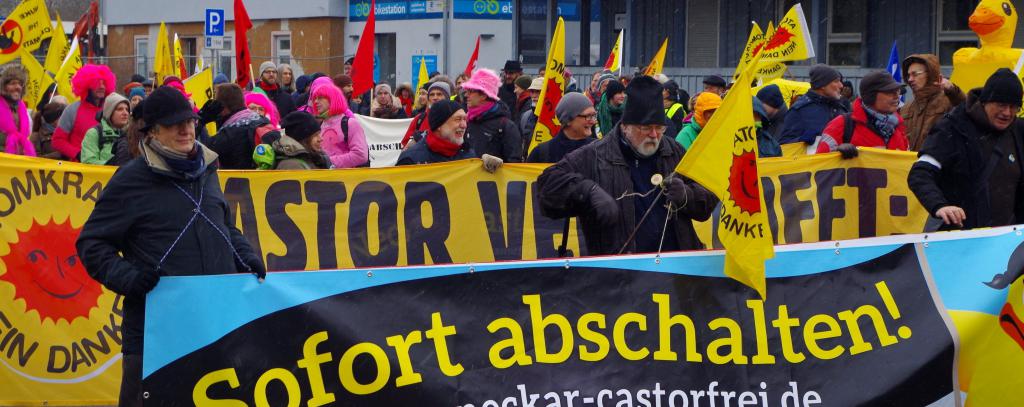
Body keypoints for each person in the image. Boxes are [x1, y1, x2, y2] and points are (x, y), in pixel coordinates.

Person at [77, 87, 265, 406]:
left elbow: (224, 225)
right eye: (174, 124)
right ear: (152, 131)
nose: (186, 129)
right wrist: (128, 278)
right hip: (155, 331)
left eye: (189, 121)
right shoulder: (130, 180)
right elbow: (92, 243)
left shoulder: (208, 170)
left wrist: (245, 256)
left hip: (214, 324)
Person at [537, 76, 717, 255]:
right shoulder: (596, 155)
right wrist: (587, 191)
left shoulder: (674, 151)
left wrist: (687, 195)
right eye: (646, 128)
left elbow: (708, 199)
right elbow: (547, 187)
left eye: (659, 128)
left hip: (674, 265)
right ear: (625, 126)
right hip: (620, 268)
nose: (654, 135)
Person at [909, 68, 1024, 231]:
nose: (1007, 113)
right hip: (961, 237)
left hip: (1009, 240)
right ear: (985, 102)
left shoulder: (1018, 130)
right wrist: (939, 206)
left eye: (1014, 107)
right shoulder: (953, 127)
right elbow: (919, 174)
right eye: (1001, 105)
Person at [816, 71, 908, 157]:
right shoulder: (841, 125)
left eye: (897, 91)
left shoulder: (899, 127)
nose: (897, 96)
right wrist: (836, 154)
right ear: (871, 96)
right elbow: (819, 163)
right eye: (889, 92)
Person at [200, 83, 278, 169]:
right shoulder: (262, 120)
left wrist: (201, 121)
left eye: (215, 101)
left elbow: (205, 153)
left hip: (240, 177)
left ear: (222, 106)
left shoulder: (229, 132)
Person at [902, 54, 966, 151]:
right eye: (908, 75)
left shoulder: (950, 100)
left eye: (915, 74)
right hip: (910, 160)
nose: (910, 79)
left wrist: (953, 90)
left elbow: (968, 110)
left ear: (930, 74)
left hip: (940, 160)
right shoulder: (906, 108)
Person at [53, 64, 115, 161]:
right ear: (86, 86)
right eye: (97, 83)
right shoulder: (72, 109)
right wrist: (78, 154)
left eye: (104, 83)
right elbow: (58, 140)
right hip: (79, 167)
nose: (102, 87)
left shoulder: (110, 109)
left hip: (106, 166)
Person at [777, 64, 849, 146]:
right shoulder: (800, 111)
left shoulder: (841, 109)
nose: (841, 86)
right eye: (836, 81)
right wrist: (800, 140)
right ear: (823, 85)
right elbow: (783, 146)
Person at [462, 68, 523, 162]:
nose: (466, 95)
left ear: (484, 95)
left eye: (471, 91)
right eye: (466, 91)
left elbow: (514, 162)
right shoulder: (466, 121)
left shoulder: (506, 126)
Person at [311, 76, 369, 168]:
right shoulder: (320, 125)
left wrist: (328, 161)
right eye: (315, 98)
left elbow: (361, 155)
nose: (316, 102)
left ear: (333, 99)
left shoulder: (350, 123)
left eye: (320, 98)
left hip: (346, 176)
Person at [397, 100, 477, 165]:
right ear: (439, 125)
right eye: (458, 119)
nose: (464, 125)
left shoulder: (470, 157)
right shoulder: (411, 160)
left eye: (464, 119)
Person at [527, 93, 597, 163]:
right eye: (588, 116)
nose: (593, 121)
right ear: (568, 120)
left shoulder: (599, 149)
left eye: (594, 115)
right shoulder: (541, 153)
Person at [254, 111, 331, 170]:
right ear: (302, 138)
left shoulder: (312, 157)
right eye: (315, 135)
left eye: (319, 134)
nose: (321, 139)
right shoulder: (292, 166)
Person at [80, 93, 130, 165]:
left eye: (127, 109)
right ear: (109, 112)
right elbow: (88, 162)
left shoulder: (130, 134)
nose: (125, 113)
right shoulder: (94, 133)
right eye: (120, 109)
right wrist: (112, 164)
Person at [403, 81, 453, 147]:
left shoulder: (455, 117)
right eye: (432, 95)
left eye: (439, 94)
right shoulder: (419, 119)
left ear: (447, 97)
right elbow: (405, 144)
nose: (435, 98)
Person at [0, 64, 35, 156]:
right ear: (3, 86)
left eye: (20, 84)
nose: (18, 87)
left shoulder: (22, 109)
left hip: (19, 160)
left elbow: (27, 135)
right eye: (13, 83)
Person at [519, 77, 543, 142]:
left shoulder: (555, 118)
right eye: (532, 92)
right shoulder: (525, 116)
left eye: (538, 92)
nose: (534, 96)